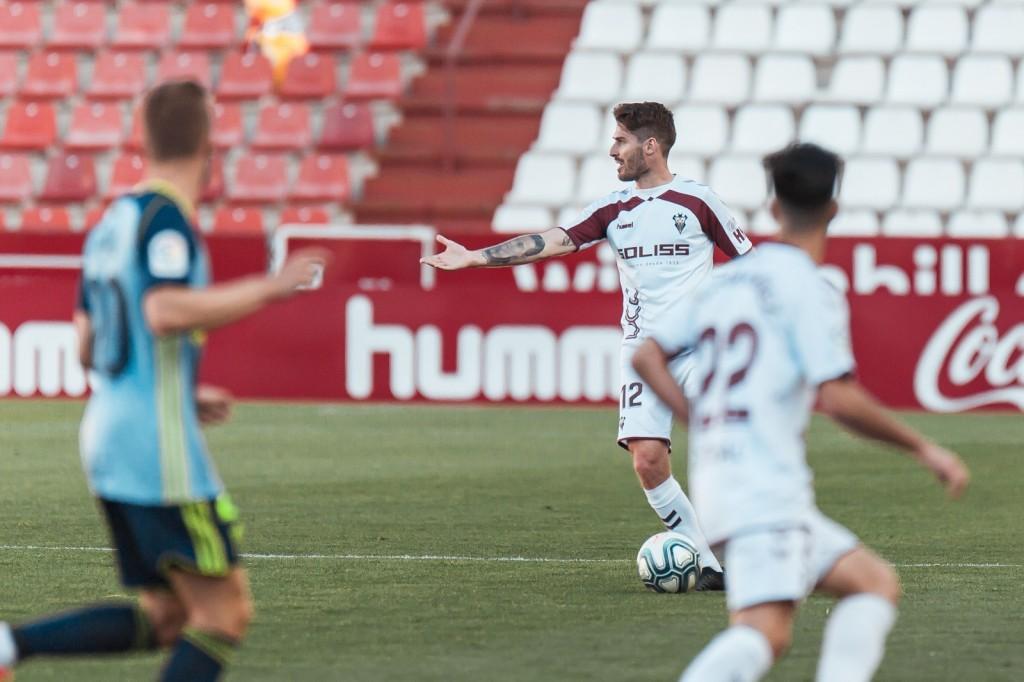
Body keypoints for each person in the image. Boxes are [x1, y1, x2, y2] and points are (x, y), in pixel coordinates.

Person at [0, 80, 327, 682]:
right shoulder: (165, 220)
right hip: (155, 448)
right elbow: (163, 310)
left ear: (141, 139)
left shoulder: (111, 224)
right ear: (211, 143)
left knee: (170, 615)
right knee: (224, 615)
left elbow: (88, 344)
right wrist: (271, 286)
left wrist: (174, 387)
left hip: (108, 433)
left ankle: (5, 647)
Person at [631, 142, 970, 682]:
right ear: (833, 210)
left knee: (849, 594)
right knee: (782, 626)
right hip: (764, 490)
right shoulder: (809, 287)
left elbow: (648, 355)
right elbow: (837, 398)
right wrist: (924, 448)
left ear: (773, 209)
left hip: (721, 482)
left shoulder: (724, 282)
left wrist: (700, 417)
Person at [421, 101, 751, 588]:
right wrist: (475, 258)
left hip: (700, 349)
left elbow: (749, 263)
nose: (612, 150)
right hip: (643, 352)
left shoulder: (699, 202)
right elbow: (550, 241)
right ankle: (708, 563)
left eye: (621, 141)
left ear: (651, 146)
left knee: (728, 446)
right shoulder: (612, 209)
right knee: (647, 459)